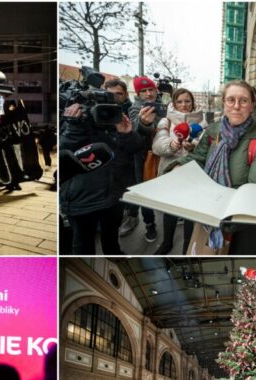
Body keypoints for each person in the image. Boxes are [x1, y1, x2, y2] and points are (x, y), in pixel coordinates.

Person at [165, 80, 256, 254]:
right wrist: (178, 167)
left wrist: (222, 218)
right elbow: (199, 158)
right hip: (205, 213)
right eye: (231, 100)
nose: (236, 106)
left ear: (252, 105)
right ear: (224, 103)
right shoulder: (213, 131)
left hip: (240, 227)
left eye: (243, 101)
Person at [59, 79, 146, 255]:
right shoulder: (76, 118)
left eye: (117, 95)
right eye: (107, 95)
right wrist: (75, 126)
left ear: (124, 97)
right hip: (83, 198)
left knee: (111, 242)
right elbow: (63, 152)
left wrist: (127, 133)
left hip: (114, 196)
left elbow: (134, 149)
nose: (111, 100)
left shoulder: (118, 118)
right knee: (83, 247)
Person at [151, 87, 199, 254]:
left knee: (189, 212)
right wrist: (171, 145)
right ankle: (167, 242)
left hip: (193, 174)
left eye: (187, 101)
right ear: (173, 103)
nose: (184, 105)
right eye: (179, 101)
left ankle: (187, 245)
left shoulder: (201, 121)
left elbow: (207, 147)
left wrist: (194, 146)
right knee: (170, 209)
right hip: (170, 172)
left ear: (193, 102)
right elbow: (156, 147)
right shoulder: (166, 122)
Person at [119, 76, 164, 243]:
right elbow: (137, 131)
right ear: (138, 94)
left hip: (166, 153)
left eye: (150, 89)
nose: (148, 93)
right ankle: (150, 224)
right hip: (145, 157)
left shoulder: (164, 106)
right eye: (143, 91)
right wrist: (145, 123)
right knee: (145, 192)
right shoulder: (134, 109)